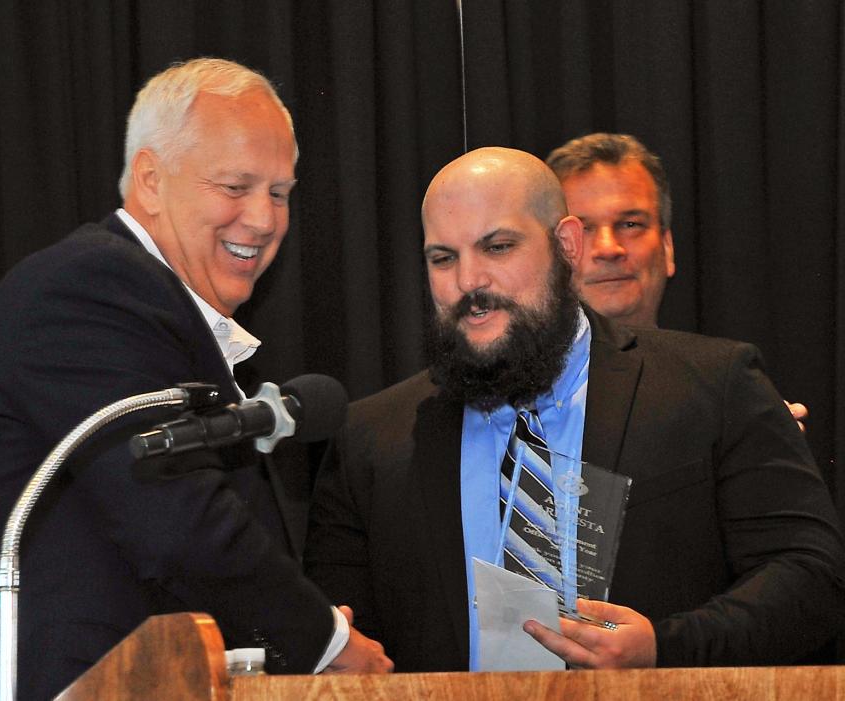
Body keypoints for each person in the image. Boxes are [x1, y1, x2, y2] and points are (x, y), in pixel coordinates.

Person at [0, 58, 391, 701]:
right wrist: (324, 645)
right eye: (234, 186)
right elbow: (176, 520)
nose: (263, 218)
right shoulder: (88, 291)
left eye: (279, 192)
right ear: (149, 181)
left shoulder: (161, 313)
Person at [303, 146, 845, 672]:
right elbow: (347, 646)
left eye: (498, 247)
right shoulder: (370, 437)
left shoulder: (713, 387)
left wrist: (665, 647)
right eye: (444, 258)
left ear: (565, 245)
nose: (469, 282)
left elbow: (812, 576)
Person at [547, 132, 807, 429]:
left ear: (668, 247)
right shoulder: (501, 403)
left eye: (630, 224)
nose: (608, 248)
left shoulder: (728, 398)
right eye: (583, 229)